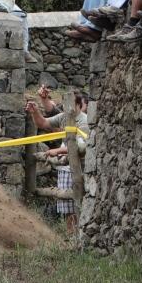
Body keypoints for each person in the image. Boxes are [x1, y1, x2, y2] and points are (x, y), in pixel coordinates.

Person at [25, 91, 90, 235]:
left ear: (78, 105)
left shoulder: (84, 121)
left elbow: (81, 146)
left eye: (70, 104)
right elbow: (43, 123)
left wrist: (58, 151)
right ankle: (71, 237)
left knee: (76, 206)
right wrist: (35, 112)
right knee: (68, 210)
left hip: (79, 168)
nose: (67, 108)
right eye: (66, 105)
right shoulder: (64, 117)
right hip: (66, 168)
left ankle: (75, 237)